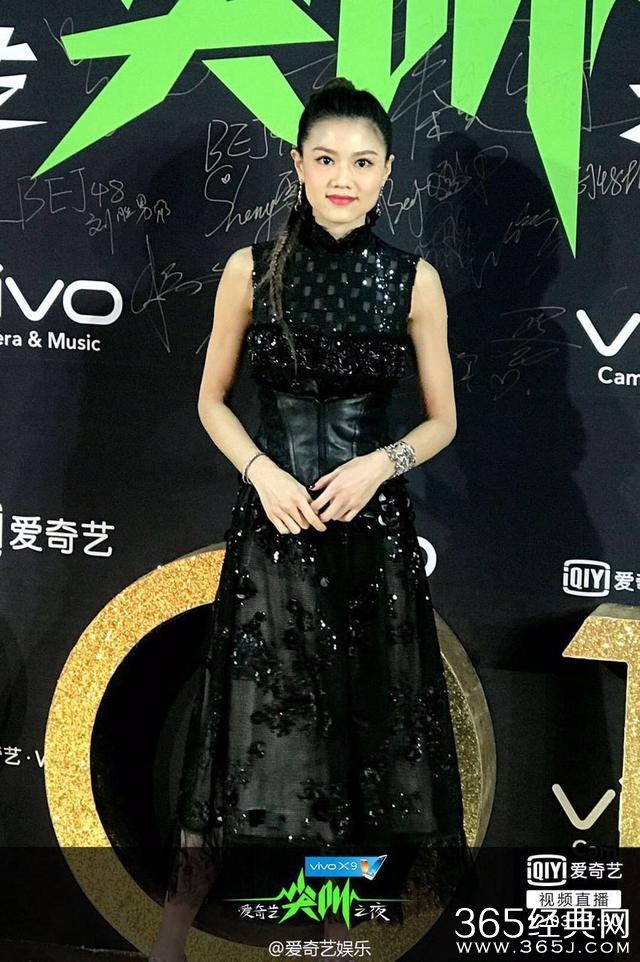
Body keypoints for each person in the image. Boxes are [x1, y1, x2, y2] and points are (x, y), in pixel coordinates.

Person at [148, 77, 472, 962]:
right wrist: (261, 471)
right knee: (239, 732)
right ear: (297, 164)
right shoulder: (250, 270)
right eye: (325, 159)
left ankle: (332, 939)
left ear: (387, 173)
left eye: (362, 163)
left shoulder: (414, 281)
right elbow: (211, 401)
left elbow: (443, 420)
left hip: (372, 538)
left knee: (359, 745)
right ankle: (170, 939)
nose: (342, 178)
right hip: (274, 531)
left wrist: (380, 463)